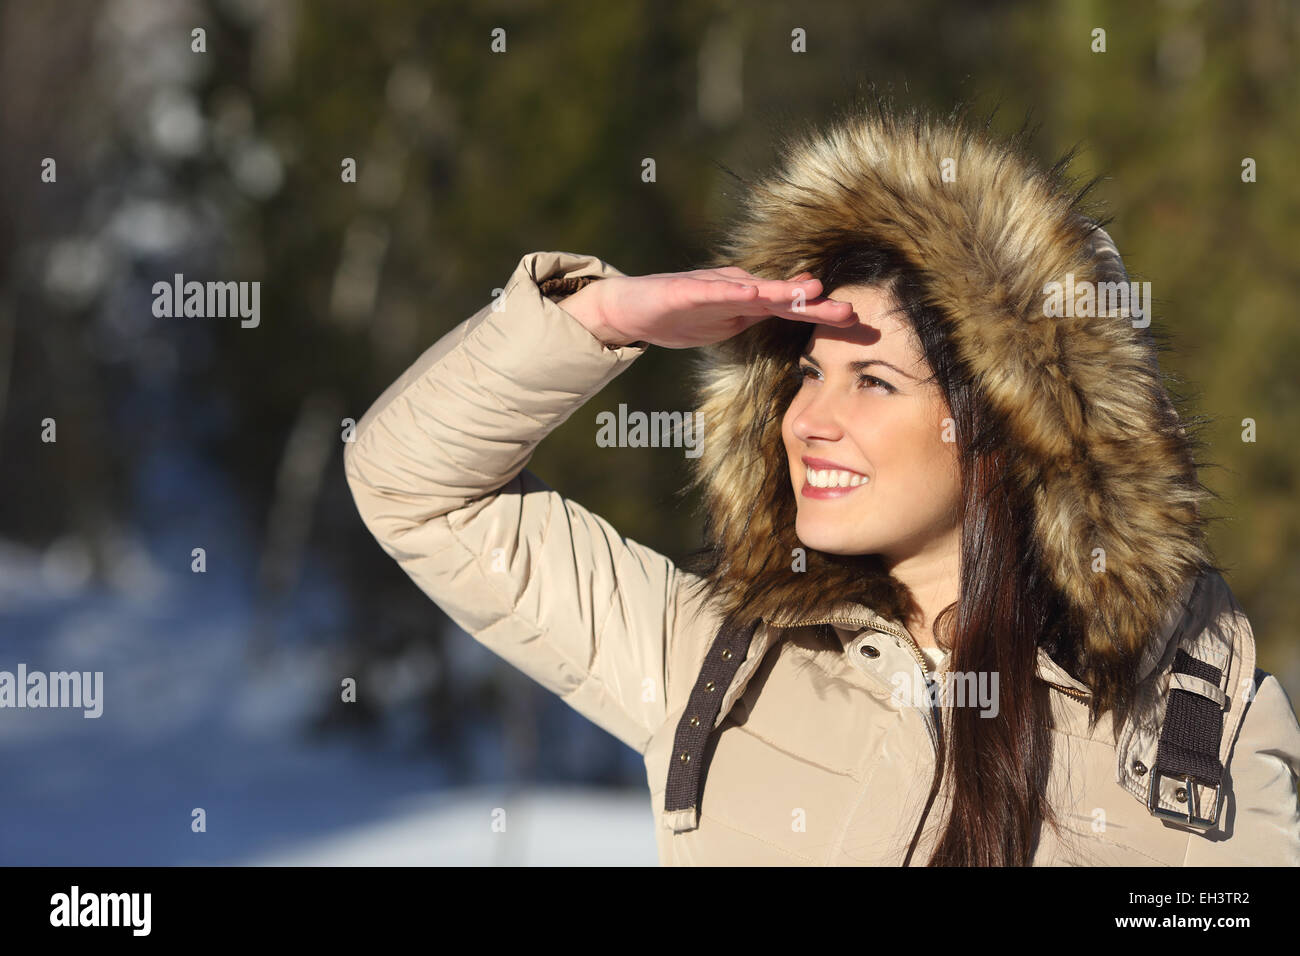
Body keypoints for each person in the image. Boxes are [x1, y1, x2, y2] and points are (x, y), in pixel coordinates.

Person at [344, 100, 1300, 865]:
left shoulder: (1186, 726)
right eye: (806, 374)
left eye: (871, 380)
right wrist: (599, 318)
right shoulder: (709, 654)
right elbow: (413, 486)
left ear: (1008, 426)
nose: (807, 420)